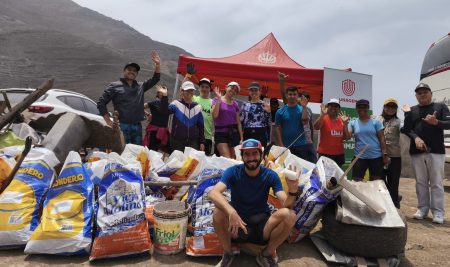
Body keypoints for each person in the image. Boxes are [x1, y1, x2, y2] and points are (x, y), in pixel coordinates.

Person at [209, 139, 298, 267]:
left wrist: (293, 191)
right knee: (218, 211)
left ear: (261, 155)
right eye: (247, 154)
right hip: (236, 226)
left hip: (262, 227)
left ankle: (266, 254)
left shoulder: (270, 175)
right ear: (242, 156)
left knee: (290, 215)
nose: (251, 158)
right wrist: (231, 212)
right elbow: (214, 193)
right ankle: (228, 253)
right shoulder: (233, 172)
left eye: (254, 154)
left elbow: (286, 204)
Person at [401, 83, 450, 224]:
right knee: (421, 182)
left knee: (436, 183)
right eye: (419, 93)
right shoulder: (412, 110)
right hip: (417, 152)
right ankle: (422, 209)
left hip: (436, 151)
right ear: (416, 96)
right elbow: (406, 129)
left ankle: (438, 212)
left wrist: (437, 122)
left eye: (425, 92)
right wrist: (416, 138)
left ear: (431, 93)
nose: (422, 94)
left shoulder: (440, 107)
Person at [97, 51, 161, 145]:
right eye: (129, 69)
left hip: (137, 126)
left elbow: (155, 79)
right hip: (122, 125)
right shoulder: (114, 86)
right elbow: (101, 103)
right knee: (122, 152)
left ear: (137, 74)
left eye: (135, 71)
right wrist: (108, 121)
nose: (132, 71)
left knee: (136, 153)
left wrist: (158, 65)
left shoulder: (141, 86)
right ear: (124, 71)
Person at [347, 99, 388, 181]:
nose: (362, 109)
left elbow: (382, 138)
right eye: (359, 107)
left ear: (368, 108)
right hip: (359, 157)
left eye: (364, 107)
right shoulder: (352, 122)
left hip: (376, 157)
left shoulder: (376, 122)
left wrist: (384, 155)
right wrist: (344, 124)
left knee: (376, 182)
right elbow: (348, 137)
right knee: (356, 182)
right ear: (356, 108)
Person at [275, 72, 309, 159]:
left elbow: (305, 122)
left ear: (297, 96)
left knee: (300, 170)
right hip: (286, 146)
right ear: (286, 96)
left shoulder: (303, 109)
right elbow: (277, 129)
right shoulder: (280, 112)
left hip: (301, 146)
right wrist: (281, 145)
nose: (292, 96)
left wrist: (304, 107)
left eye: (294, 94)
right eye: (290, 94)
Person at [376, 98, 402, 208]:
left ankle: (394, 205)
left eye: (393, 107)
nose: (390, 109)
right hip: (379, 156)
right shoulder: (376, 119)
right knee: (379, 181)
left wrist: (409, 115)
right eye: (388, 106)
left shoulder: (399, 121)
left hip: (395, 156)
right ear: (384, 107)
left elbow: (407, 128)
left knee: (394, 182)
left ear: (396, 109)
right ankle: (384, 203)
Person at [167, 81, 205, 152]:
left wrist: (202, 142)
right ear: (182, 91)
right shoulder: (176, 104)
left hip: (193, 142)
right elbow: (166, 111)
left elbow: (201, 126)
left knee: (190, 162)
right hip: (177, 140)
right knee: (177, 162)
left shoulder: (198, 107)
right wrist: (164, 97)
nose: (189, 92)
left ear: (194, 91)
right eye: (187, 90)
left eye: (191, 90)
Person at [313, 98, 350, 166]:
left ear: (339, 109)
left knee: (336, 176)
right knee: (324, 175)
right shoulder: (324, 118)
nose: (333, 108)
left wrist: (345, 125)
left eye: (336, 106)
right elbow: (316, 127)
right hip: (325, 154)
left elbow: (347, 138)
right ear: (327, 107)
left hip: (339, 154)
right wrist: (322, 115)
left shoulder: (342, 120)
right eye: (331, 105)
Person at [212, 82, 243, 159]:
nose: (233, 91)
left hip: (233, 134)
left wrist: (241, 138)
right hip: (220, 134)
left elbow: (238, 122)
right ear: (226, 87)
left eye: (236, 90)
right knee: (227, 158)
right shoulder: (216, 100)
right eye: (232, 88)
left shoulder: (235, 104)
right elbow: (214, 115)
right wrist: (219, 99)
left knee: (234, 159)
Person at [240, 82, 271, 147]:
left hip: (261, 132)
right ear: (249, 92)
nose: (254, 92)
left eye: (256, 90)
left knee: (261, 154)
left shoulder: (265, 104)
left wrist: (268, 112)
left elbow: (269, 123)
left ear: (260, 91)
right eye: (251, 90)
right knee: (248, 153)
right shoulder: (245, 105)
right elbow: (241, 122)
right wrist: (241, 137)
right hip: (247, 133)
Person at [143, 85, 169, 151]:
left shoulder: (168, 105)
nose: (163, 92)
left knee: (161, 151)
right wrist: (148, 114)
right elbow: (140, 107)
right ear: (158, 93)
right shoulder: (153, 103)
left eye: (165, 91)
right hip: (154, 131)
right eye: (161, 91)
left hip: (164, 131)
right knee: (151, 150)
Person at [193, 78, 214, 155]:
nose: (204, 89)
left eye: (207, 87)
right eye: (202, 87)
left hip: (207, 136)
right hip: (194, 135)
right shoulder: (194, 98)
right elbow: (184, 89)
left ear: (210, 89)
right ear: (199, 88)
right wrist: (188, 75)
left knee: (204, 162)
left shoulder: (213, 102)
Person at [298, 91, 318, 162]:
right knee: (302, 161)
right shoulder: (296, 108)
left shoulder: (309, 110)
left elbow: (311, 126)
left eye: (307, 99)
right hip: (298, 141)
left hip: (308, 140)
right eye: (304, 98)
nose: (306, 100)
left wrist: (311, 139)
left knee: (313, 160)